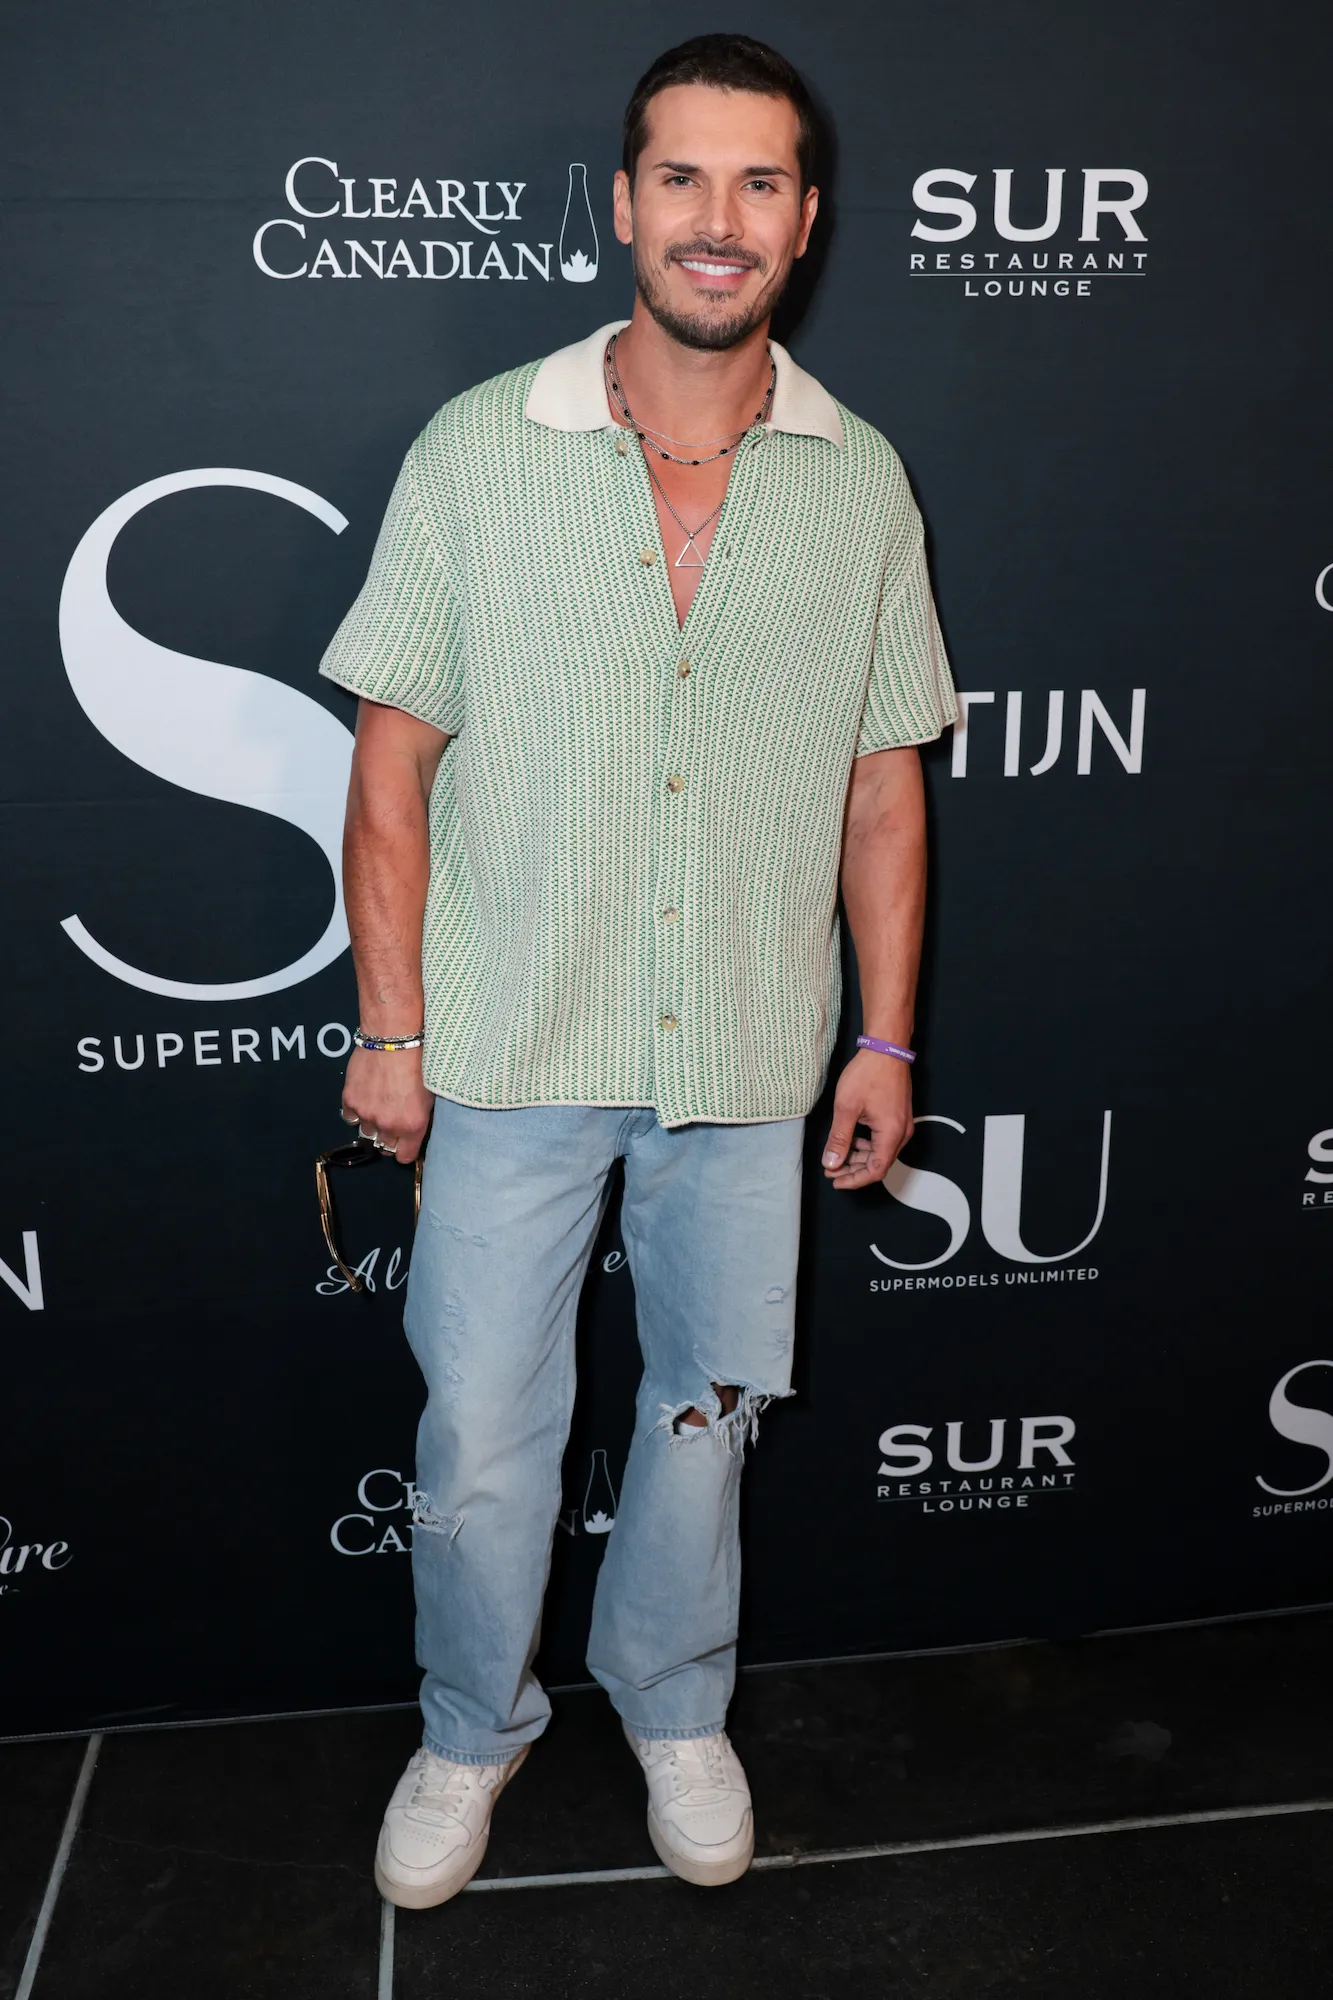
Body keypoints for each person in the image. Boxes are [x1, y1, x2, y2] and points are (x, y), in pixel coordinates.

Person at [319, 32, 957, 1909]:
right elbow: (391, 763)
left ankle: (678, 1708)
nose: (718, 217)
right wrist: (389, 1026)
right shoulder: (479, 452)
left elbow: (884, 788)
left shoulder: (860, 482)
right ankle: (469, 1728)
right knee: (480, 1437)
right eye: (683, 176)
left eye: (760, 181)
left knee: (707, 1420)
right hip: (509, 1040)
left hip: (749, 1055)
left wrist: (886, 1035)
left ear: (806, 221)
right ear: (623, 204)